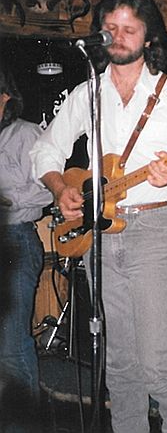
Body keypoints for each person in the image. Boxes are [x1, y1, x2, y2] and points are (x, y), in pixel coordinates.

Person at [30, 0, 167, 432]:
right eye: (110, 28)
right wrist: (60, 188)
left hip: (151, 230)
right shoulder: (88, 93)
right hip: (98, 234)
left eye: (129, 29)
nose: (118, 36)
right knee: (118, 365)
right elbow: (45, 150)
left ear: (149, 36)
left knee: (157, 364)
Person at [0, 66, 53, 432]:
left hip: (15, 242)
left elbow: (47, 190)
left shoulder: (26, 134)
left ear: (6, 97)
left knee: (11, 345)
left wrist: (7, 199)